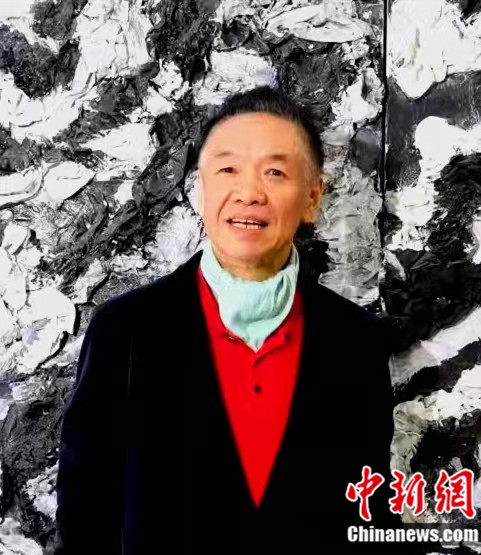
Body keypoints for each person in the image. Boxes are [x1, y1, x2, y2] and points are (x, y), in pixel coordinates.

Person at [54, 86, 439, 554]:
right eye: (228, 169)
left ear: (312, 197)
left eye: (275, 172)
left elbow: (367, 514)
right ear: (201, 189)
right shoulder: (125, 330)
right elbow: (85, 515)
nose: (250, 193)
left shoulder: (355, 341)